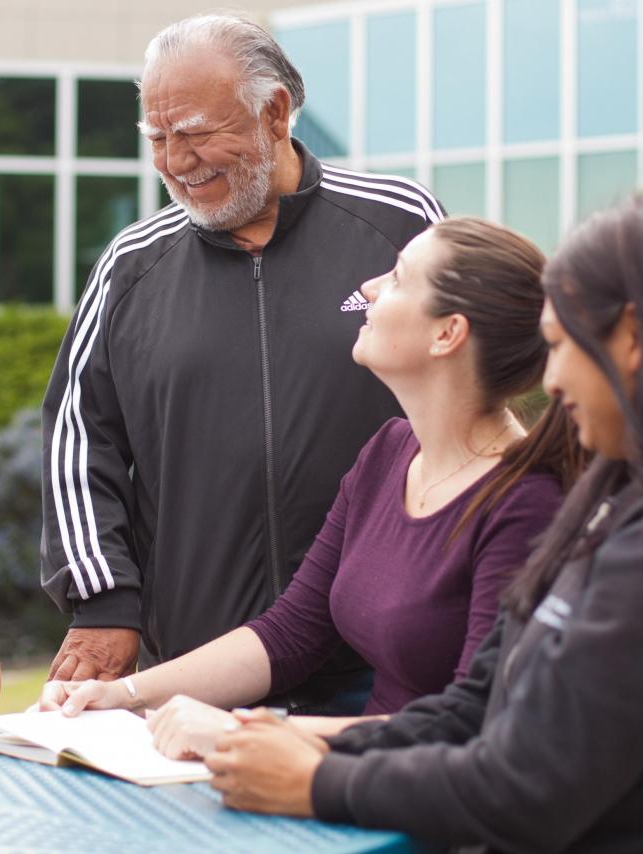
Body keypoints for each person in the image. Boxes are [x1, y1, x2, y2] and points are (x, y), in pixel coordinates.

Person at [200, 197, 643, 853]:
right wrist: (305, 740)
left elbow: (532, 788)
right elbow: (478, 705)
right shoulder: (633, 484)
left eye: (560, 345)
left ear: (631, 338)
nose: (548, 380)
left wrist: (318, 782)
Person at [40, 218, 582, 757]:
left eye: (396, 278)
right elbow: (289, 634)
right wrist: (118, 694)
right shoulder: (388, 453)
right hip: (356, 791)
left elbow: (476, 719)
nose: (368, 287)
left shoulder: (527, 501)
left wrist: (247, 733)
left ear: (448, 333)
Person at [41, 13, 445, 713]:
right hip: (197, 671)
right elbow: (79, 440)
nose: (176, 161)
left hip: (383, 662)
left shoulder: (402, 225)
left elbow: (473, 395)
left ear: (277, 113)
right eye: (158, 139)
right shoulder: (130, 267)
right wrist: (104, 598)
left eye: (196, 133)